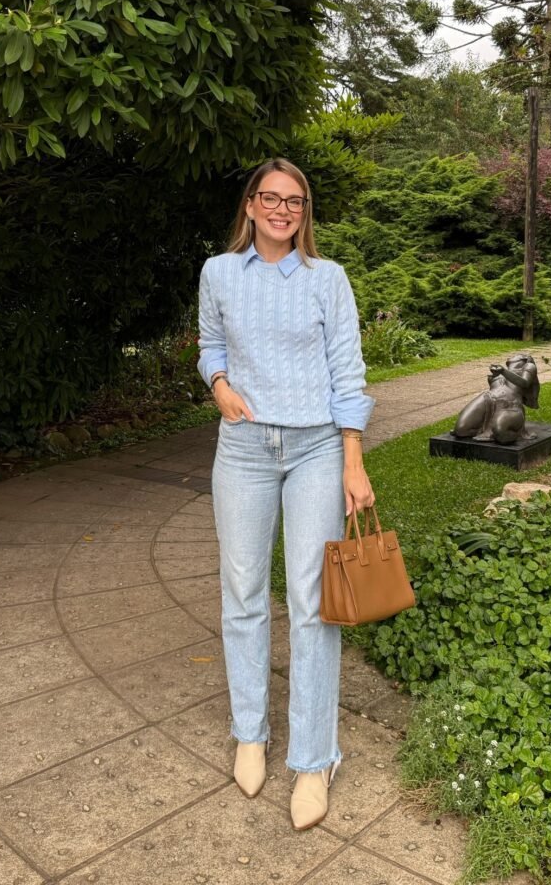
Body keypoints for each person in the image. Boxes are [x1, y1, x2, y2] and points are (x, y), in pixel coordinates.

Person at [197, 157, 375, 830]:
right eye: (269, 198)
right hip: (242, 447)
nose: (281, 210)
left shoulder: (326, 279)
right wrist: (218, 386)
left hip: (315, 449)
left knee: (310, 603)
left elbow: (347, 371)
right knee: (242, 592)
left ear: (304, 213)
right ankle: (250, 732)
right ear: (248, 205)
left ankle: (312, 757)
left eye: (293, 201)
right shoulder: (218, 273)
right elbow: (210, 344)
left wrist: (352, 461)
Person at [452, 353, 540, 443]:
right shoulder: (504, 370)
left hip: (510, 405)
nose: (511, 356)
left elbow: (525, 383)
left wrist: (503, 372)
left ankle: (508, 432)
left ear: (523, 358)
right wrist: (495, 376)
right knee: (460, 430)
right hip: (488, 399)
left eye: (515, 355)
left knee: (501, 433)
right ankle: (484, 430)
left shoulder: (528, 365)